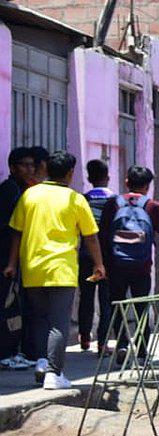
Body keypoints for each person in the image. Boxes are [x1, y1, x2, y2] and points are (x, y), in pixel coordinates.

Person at [5, 151, 107, 389]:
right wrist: (99, 264)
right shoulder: (75, 199)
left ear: (46, 169)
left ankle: (42, 362)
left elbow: (16, 233)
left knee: (39, 319)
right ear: (70, 173)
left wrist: (11, 264)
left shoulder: (30, 195)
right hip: (61, 269)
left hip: (32, 268)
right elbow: (90, 237)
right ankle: (54, 372)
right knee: (58, 322)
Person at [98, 165, 159, 358]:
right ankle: (142, 347)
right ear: (148, 185)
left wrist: (104, 263)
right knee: (141, 306)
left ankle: (122, 344)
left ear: (126, 182)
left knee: (117, 305)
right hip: (142, 265)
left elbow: (103, 233)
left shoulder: (113, 203)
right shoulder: (153, 206)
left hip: (115, 264)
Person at [0, 146, 43, 369]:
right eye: (24, 165)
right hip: (6, 258)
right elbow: (11, 229)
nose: (30, 170)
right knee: (6, 306)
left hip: (15, 258)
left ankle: (12, 350)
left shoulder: (23, 190)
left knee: (15, 307)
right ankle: (5, 353)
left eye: (32, 166)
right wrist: (11, 262)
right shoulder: (10, 190)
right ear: (12, 168)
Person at [76, 159, 112, 351]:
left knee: (86, 296)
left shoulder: (82, 200)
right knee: (106, 299)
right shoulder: (114, 200)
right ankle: (103, 342)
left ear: (89, 179)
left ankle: (84, 337)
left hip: (86, 256)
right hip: (106, 258)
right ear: (108, 177)